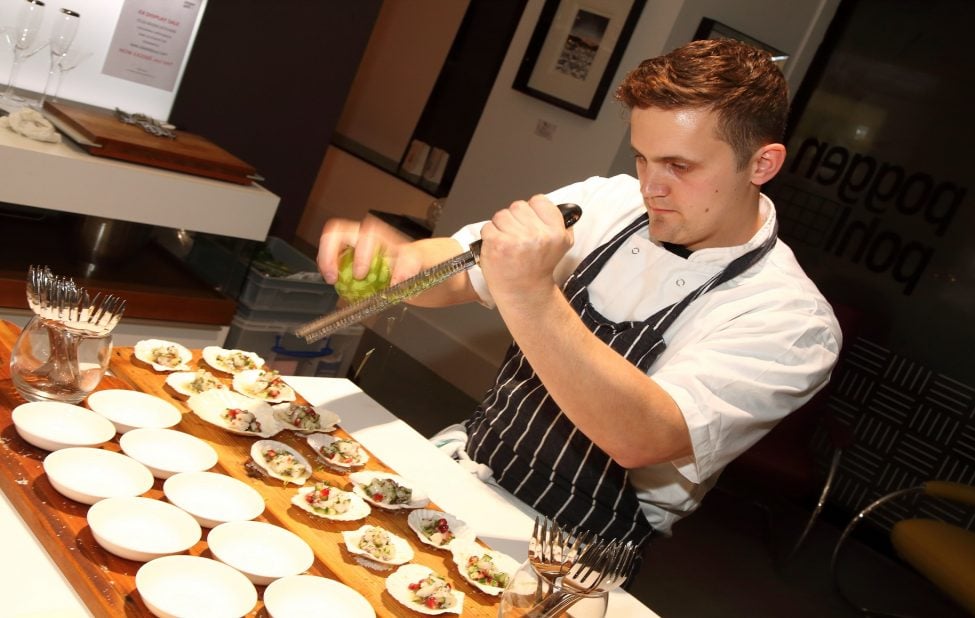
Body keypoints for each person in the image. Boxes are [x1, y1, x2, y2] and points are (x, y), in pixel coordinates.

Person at [317, 38, 841, 548]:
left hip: (573, 548)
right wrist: (388, 263)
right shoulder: (606, 203)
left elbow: (642, 435)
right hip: (464, 468)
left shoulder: (791, 319)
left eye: (680, 167)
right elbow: (458, 271)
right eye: (642, 158)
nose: (650, 187)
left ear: (762, 164)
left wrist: (530, 292)